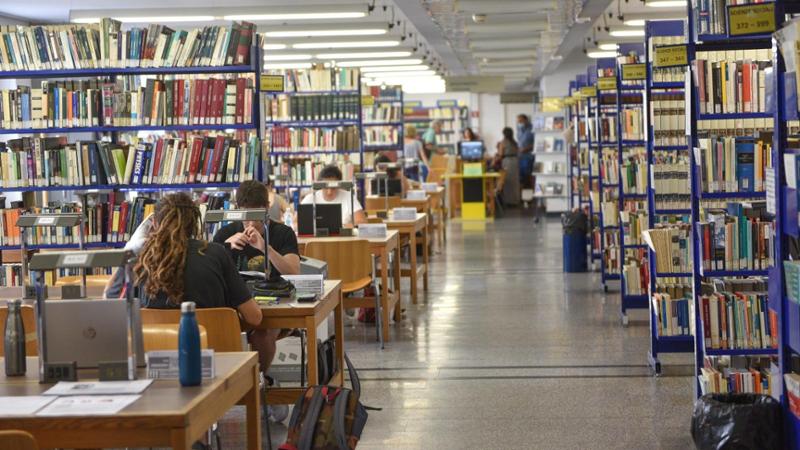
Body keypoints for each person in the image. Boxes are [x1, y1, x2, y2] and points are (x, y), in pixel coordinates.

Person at [133, 193, 282, 418]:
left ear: (154, 223)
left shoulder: (142, 260)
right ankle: (262, 391)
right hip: (215, 360)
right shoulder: (215, 253)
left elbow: (125, 311)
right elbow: (254, 317)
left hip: (158, 364)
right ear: (195, 222)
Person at [213, 180, 301, 278]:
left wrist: (265, 248)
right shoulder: (224, 234)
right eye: (246, 216)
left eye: (256, 216)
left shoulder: (284, 233)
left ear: (267, 207)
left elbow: (294, 272)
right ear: (238, 208)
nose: (251, 223)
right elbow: (211, 274)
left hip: (274, 288)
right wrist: (226, 247)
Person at [300, 165, 366, 227]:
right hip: (315, 235)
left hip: (343, 235)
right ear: (320, 185)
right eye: (326, 187)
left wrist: (342, 228)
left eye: (333, 187)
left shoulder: (349, 197)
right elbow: (296, 222)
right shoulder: (310, 199)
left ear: (339, 185)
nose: (329, 192)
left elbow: (362, 222)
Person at [497, 127, 521, 206]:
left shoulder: (503, 142)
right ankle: (516, 200)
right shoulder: (514, 142)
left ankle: (508, 201)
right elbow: (518, 152)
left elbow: (500, 154)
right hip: (515, 161)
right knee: (515, 182)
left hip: (507, 161)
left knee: (508, 181)